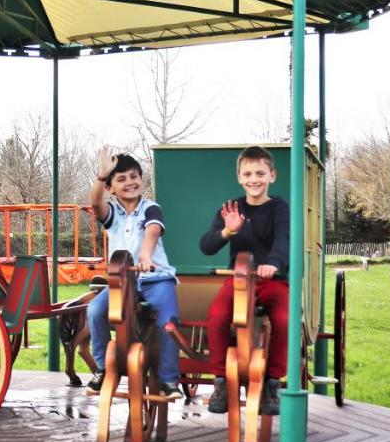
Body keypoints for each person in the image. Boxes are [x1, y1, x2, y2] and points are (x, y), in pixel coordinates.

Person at [198, 146, 290, 415]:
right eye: (248, 173)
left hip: (272, 281)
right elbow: (206, 246)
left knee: (284, 320)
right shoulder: (231, 209)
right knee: (216, 316)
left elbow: (284, 239)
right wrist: (227, 230)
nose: (254, 179)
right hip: (238, 281)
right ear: (239, 177)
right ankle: (221, 381)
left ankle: (272, 383)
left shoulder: (279, 208)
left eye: (260, 173)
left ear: (272, 175)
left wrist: (272, 264)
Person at [85, 148, 181, 396]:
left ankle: (169, 379)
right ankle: (103, 367)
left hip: (155, 278)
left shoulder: (151, 208)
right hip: (122, 282)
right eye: (121, 179)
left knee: (168, 319)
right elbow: (94, 203)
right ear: (110, 188)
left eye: (134, 176)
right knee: (95, 310)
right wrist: (100, 175)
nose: (130, 183)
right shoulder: (112, 213)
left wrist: (146, 255)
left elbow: (152, 231)